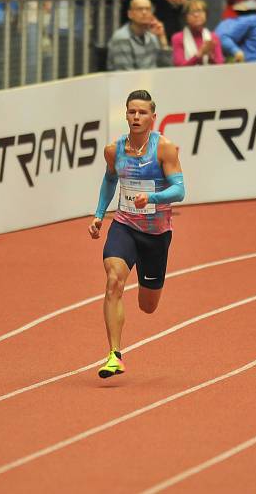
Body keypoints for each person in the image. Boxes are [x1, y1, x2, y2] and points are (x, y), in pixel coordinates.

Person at [88, 89, 185, 378]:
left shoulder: (164, 149)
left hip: (156, 235)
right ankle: (114, 355)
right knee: (113, 280)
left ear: (153, 118)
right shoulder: (114, 150)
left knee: (148, 306)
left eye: (142, 112)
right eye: (132, 112)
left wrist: (152, 199)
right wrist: (98, 214)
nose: (136, 117)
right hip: (124, 226)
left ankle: (148, 288)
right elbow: (109, 180)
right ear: (126, 114)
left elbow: (180, 190)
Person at [106, 0, 172, 71]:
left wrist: (162, 39)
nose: (144, 12)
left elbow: (167, 69)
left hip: (152, 80)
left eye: (148, 9)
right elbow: (125, 75)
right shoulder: (122, 37)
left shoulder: (153, 36)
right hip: (131, 81)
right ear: (130, 14)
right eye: (139, 9)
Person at [172, 0, 224, 66]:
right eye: (191, 12)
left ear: (206, 15)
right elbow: (180, 67)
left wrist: (210, 56)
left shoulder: (213, 37)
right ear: (185, 18)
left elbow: (220, 65)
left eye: (200, 11)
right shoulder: (178, 38)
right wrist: (200, 54)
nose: (196, 15)